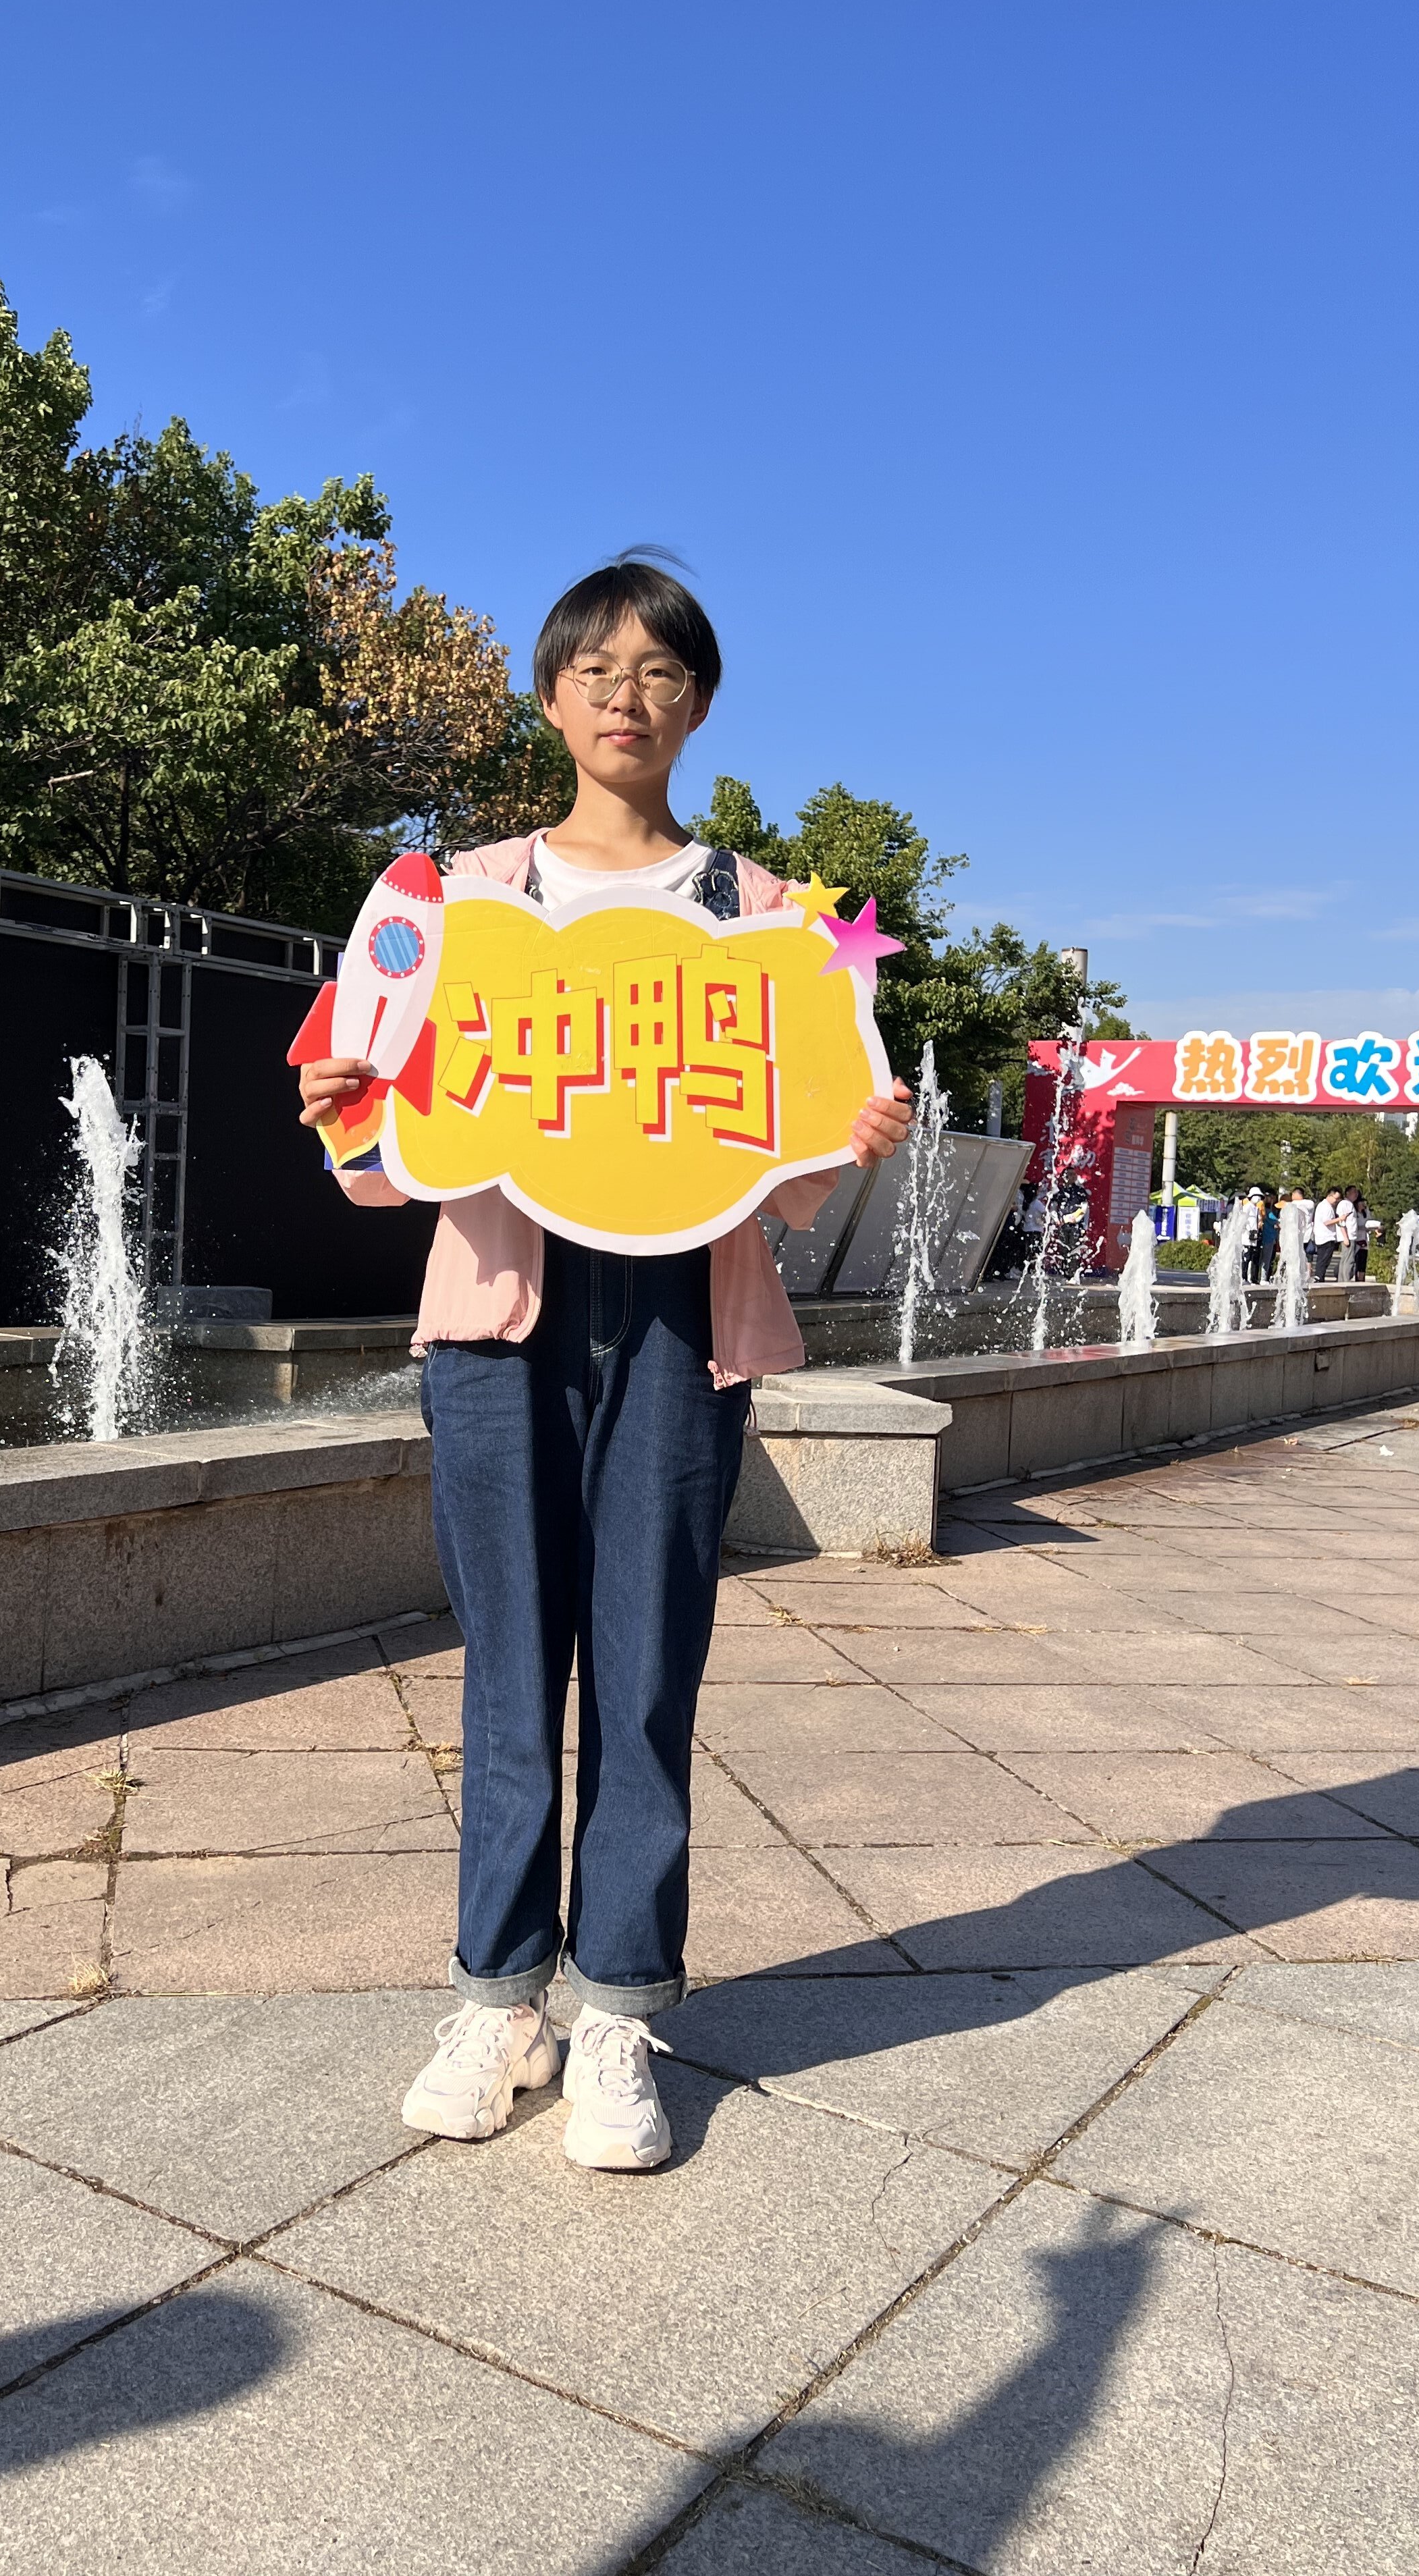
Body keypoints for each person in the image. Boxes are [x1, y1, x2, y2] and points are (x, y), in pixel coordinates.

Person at [298, 557, 911, 2172]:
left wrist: (846, 1137)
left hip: (681, 1317)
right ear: (552, 696)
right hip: (500, 1313)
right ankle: (500, 2001)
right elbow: (378, 1141)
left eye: (660, 672)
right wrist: (346, 1114)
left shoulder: (770, 918)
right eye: (597, 669)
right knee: (510, 1669)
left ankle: (624, 2010)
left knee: (644, 1672)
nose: (626, 696)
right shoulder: (456, 897)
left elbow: (781, 1164)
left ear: (699, 704)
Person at [1311, 1186, 1345, 1284]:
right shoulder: (1326, 1207)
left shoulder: (1325, 1206)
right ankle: (1319, 1278)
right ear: (1330, 1196)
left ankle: (1320, 1277)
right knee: (1323, 1260)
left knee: (1324, 1260)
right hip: (1326, 1238)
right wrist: (1340, 1219)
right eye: (1336, 1198)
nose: (1336, 1201)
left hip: (1324, 1237)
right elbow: (1327, 1222)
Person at [1252, 1192, 1279, 1284]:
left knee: (1258, 1260)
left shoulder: (1259, 1210)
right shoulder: (1267, 1211)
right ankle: (1263, 1278)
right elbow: (1275, 1221)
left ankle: (1254, 1277)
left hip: (1262, 1238)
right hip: (1268, 1238)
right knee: (1266, 1260)